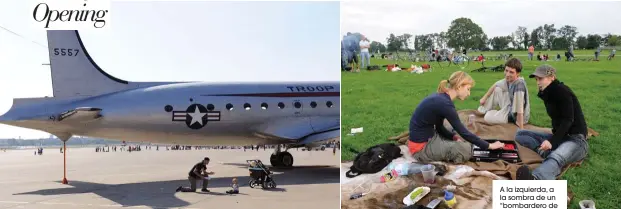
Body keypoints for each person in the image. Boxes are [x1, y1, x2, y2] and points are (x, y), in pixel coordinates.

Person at [408, 71, 505, 164]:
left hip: (430, 136)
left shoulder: (442, 98)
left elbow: (439, 127)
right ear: (459, 86)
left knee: (454, 130)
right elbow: (464, 132)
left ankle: (449, 142)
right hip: (421, 149)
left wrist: (453, 137)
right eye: (468, 89)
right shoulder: (445, 104)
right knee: (465, 149)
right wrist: (490, 146)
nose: (469, 93)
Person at [515, 65, 588, 180]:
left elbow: (568, 119)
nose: (538, 82)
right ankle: (545, 153)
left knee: (556, 156)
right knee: (520, 134)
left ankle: (536, 179)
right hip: (561, 137)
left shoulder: (562, 91)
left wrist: (552, 142)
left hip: (576, 140)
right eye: (536, 79)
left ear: (552, 77)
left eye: (541, 79)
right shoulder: (548, 93)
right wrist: (553, 139)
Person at [477, 58, 531, 128]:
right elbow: (496, 84)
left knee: (487, 117)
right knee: (497, 89)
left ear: (518, 73)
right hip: (511, 106)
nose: (507, 74)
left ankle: (491, 113)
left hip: (516, 116)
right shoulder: (509, 79)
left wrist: (521, 128)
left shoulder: (519, 86)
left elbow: (520, 110)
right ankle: (485, 110)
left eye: (511, 72)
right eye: (506, 70)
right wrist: (484, 98)